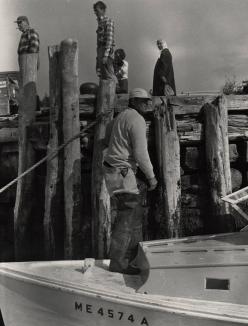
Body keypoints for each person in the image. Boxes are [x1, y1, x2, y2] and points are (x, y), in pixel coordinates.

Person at [103, 88, 158, 275]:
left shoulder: (119, 118)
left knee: (132, 216)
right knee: (126, 218)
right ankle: (118, 264)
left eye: (148, 102)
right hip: (123, 171)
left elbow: (105, 140)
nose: (147, 104)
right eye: (143, 101)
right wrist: (151, 177)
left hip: (112, 170)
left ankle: (130, 259)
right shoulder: (137, 120)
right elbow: (141, 154)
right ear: (134, 102)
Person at [93, 1, 117, 82]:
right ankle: (107, 93)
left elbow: (109, 39)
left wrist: (106, 55)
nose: (95, 12)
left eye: (97, 10)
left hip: (106, 50)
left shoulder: (108, 21)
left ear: (103, 10)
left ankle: (115, 92)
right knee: (103, 74)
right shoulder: (100, 22)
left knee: (108, 74)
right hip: (100, 49)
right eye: (95, 11)